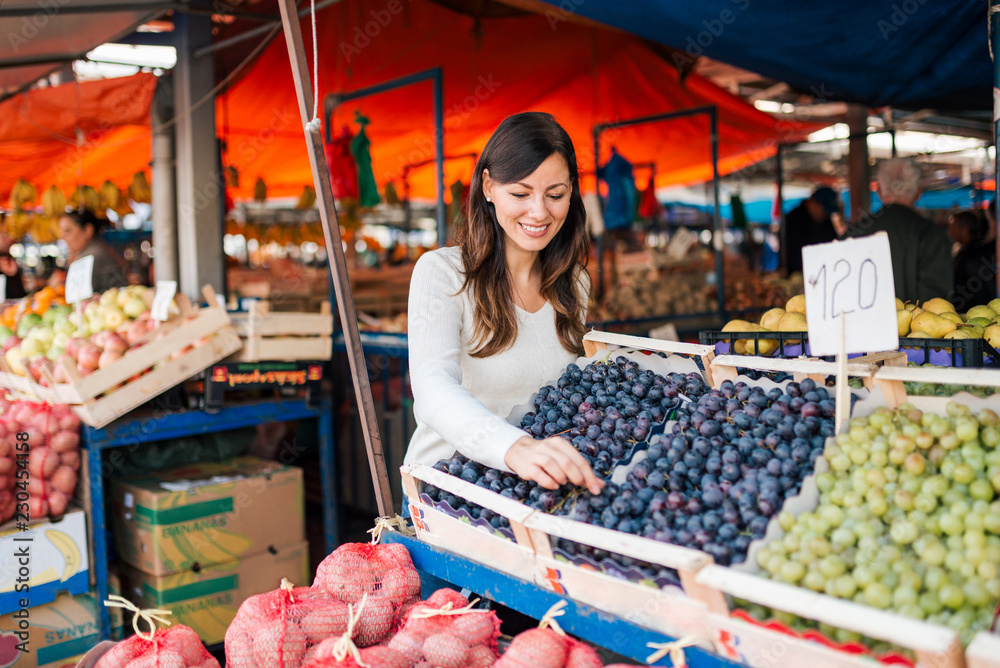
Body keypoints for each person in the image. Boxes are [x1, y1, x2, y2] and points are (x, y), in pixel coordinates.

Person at [405, 112, 603, 496]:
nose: (539, 212)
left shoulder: (575, 284)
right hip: (446, 494)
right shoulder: (443, 274)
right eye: (520, 194)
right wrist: (513, 447)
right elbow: (432, 387)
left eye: (556, 194)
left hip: (528, 494)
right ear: (488, 187)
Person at [846, 158, 952, 303]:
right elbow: (936, 300)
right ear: (918, 192)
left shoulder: (855, 232)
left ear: (878, 191)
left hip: (861, 325)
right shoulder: (933, 235)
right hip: (917, 325)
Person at [57, 210, 129, 293]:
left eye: (67, 231)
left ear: (88, 230)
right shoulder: (97, 248)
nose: (63, 237)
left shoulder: (91, 256)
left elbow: (76, 294)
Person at [784, 186, 841, 276]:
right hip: (798, 275)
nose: (825, 214)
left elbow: (833, 245)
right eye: (824, 209)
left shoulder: (826, 221)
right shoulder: (792, 220)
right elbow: (792, 258)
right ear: (813, 202)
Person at [948, 209, 996, 311]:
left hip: (973, 314)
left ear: (965, 229)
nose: (950, 232)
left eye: (953, 228)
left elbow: (961, 292)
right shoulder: (986, 250)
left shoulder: (968, 256)